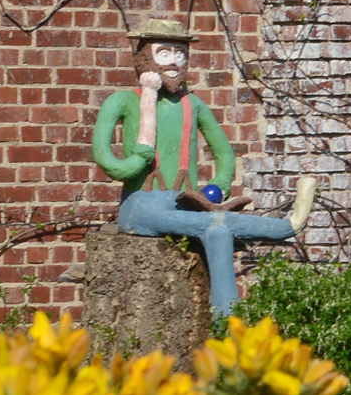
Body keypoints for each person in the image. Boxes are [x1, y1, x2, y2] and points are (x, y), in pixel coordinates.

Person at [91, 17, 316, 317]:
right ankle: (227, 322)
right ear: (146, 57)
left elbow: (224, 154)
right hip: (140, 206)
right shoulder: (122, 101)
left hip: (184, 203)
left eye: (180, 53)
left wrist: (220, 187)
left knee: (223, 221)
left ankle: (288, 225)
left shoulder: (192, 104)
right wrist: (139, 158)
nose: (174, 62)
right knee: (217, 227)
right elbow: (107, 161)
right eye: (165, 52)